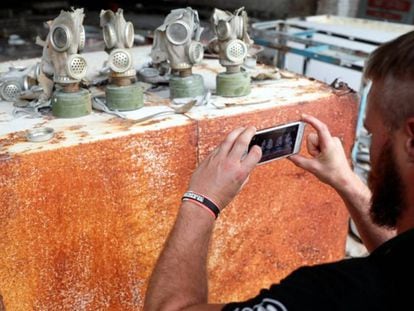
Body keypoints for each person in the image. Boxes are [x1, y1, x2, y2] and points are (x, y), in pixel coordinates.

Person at [144, 31, 414, 311]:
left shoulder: (330, 296)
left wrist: (201, 200)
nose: (368, 145)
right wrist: (344, 179)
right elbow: (395, 257)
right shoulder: (395, 271)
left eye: (371, 134)